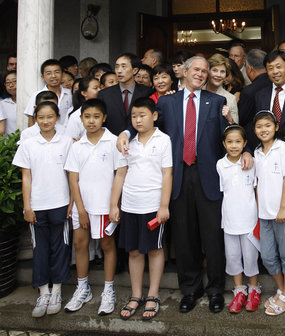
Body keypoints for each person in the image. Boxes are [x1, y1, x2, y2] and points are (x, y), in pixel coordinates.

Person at [117, 56, 251, 314]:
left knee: (212, 237)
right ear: (185, 73)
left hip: (209, 176)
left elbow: (231, 137)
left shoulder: (218, 102)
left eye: (205, 71)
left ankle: (215, 290)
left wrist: (246, 150)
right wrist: (126, 133)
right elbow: (142, 119)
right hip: (177, 176)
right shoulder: (166, 101)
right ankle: (189, 290)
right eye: (197, 70)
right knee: (185, 236)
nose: (201, 74)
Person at [110, 97, 172, 320]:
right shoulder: (126, 142)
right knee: (134, 251)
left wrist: (163, 205)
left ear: (154, 116)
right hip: (130, 205)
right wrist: (113, 205)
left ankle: (152, 295)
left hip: (153, 205)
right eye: (134, 116)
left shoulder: (163, 140)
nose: (138, 120)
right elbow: (120, 174)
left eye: (142, 115)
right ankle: (136, 295)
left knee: (155, 249)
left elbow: (167, 174)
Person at [13, 101, 73, 317]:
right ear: (35, 119)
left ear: (57, 117)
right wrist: (27, 206)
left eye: (50, 117)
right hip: (37, 205)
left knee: (60, 246)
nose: (46, 121)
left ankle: (56, 290)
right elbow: (26, 177)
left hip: (61, 203)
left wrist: (72, 202)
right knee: (40, 248)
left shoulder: (66, 142)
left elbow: (71, 175)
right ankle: (43, 291)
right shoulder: (28, 144)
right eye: (41, 117)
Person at [63, 99, 118, 316]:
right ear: (81, 119)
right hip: (82, 206)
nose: (91, 121)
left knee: (107, 245)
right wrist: (80, 208)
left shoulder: (113, 142)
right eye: (87, 117)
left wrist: (114, 205)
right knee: (80, 244)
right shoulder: (76, 146)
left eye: (96, 116)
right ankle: (82, 287)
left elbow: (119, 175)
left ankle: (108, 289)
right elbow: (73, 180)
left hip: (104, 206)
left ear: (104, 118)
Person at [252, 111, 285, 316]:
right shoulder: (257, 152)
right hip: (264, 214)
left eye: (267, 125)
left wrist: (283, 207)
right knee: (268, 256)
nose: (264, 130)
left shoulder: (282, 148)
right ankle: (282, 289)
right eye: (259, 126)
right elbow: (257, 183)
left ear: (276, 127)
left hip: (283, 214)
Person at [216, 125, 260, 313]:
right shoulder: (220, 165)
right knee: (233, 256)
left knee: (250, 256)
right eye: (230, 142)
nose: (234, 146)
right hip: (230, 219)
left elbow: (256, 189)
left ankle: (254, 289)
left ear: (245, 143)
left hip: (249, 218)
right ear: (224, 144)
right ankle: (239, 290)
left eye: (238, 141)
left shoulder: (251, 163)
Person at [97, 53, 153, 136]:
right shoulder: (104, 94)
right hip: (112, 143)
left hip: (140, 141)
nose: (119, 71)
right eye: (117, 67)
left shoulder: (147, 92)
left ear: (135, 70)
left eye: (124, 66)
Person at [23, 59, 73, 127]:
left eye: (57, 72)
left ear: (63, 74)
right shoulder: (36, 95)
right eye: (49, 73)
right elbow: (31, 118)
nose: (53, 76)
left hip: (66, 134)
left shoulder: (70, 94)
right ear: (43, 77)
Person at [238, 49, 270, 150]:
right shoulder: (276, 84)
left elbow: (241, 120)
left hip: (255, 143)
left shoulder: (249, 91)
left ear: (249, 68)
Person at [206, 53, 238, 123]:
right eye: (215, 70)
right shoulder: (197, 92)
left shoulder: (231, 99)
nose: (218, 75)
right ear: (208, 72)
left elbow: (236, 131)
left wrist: (230, 118)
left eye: (222, 72)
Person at [66, 76, 101, 141]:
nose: (100, 90)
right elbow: (70, 140)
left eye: (100, 87)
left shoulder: (106, 109)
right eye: (95, 88)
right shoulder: (76, 116)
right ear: (84, 93)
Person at [0, 70, 17, 135]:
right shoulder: (2, 104)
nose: (11, 85)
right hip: (10, 143)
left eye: (14, 81)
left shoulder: (30, 101)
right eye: (7, 82)